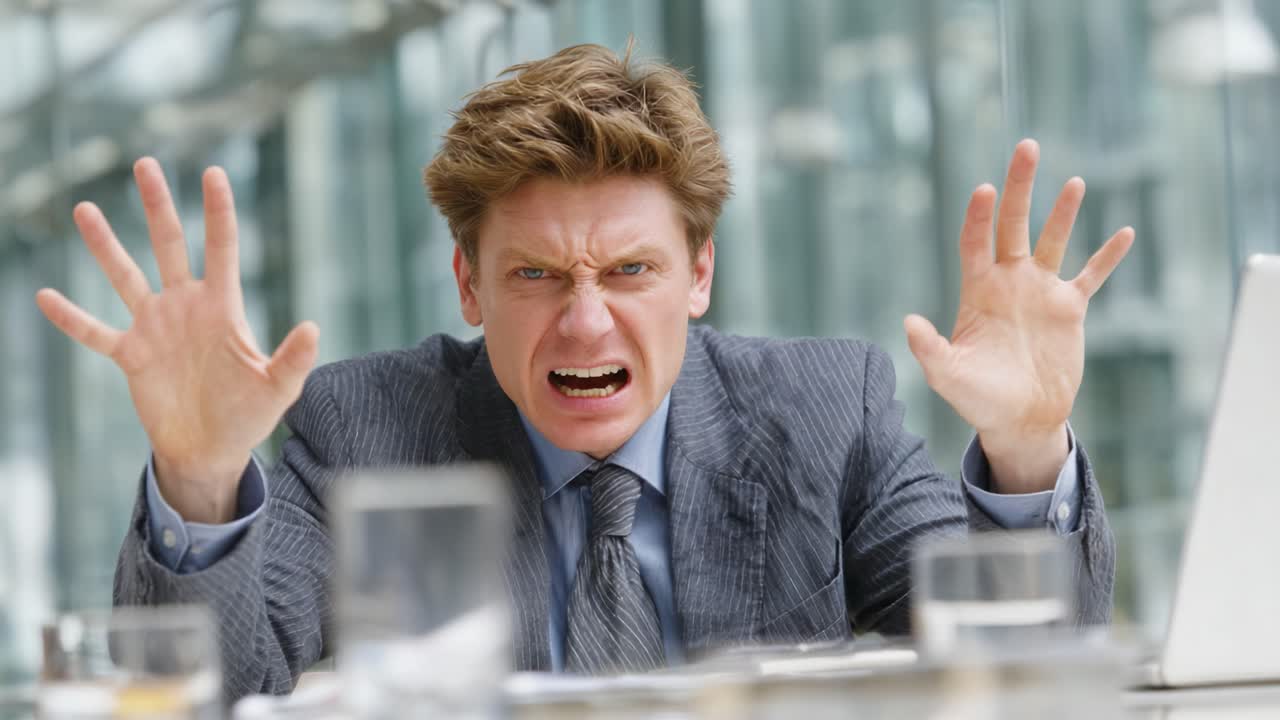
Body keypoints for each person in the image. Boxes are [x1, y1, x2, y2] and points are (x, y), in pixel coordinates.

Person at [35, 44, 1132, 701]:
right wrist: (198, 474)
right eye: (535, 275)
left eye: (630, 268)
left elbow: (1019, 686)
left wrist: (1028, 449)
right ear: (467, 289)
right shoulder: (367, 426)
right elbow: (214, 694)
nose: (585, 320)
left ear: (699, 275)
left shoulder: (821, 408)